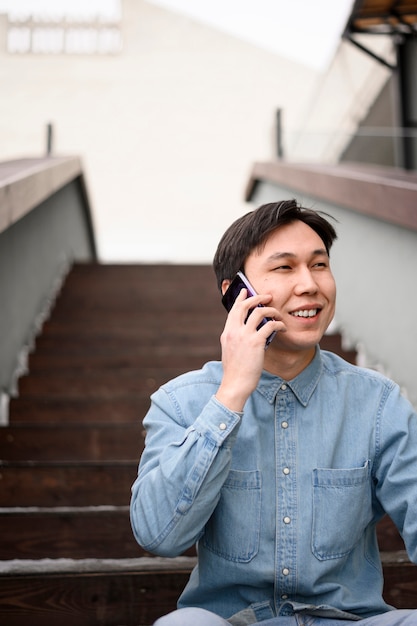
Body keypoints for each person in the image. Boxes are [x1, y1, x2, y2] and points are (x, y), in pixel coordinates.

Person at [130, 200, 417, 626]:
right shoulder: (180, 403)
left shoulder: (377, 403)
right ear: (236, 293)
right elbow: (158, 535)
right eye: (284, 268)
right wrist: (230, 396)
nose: (309, 285)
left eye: (319, 265)